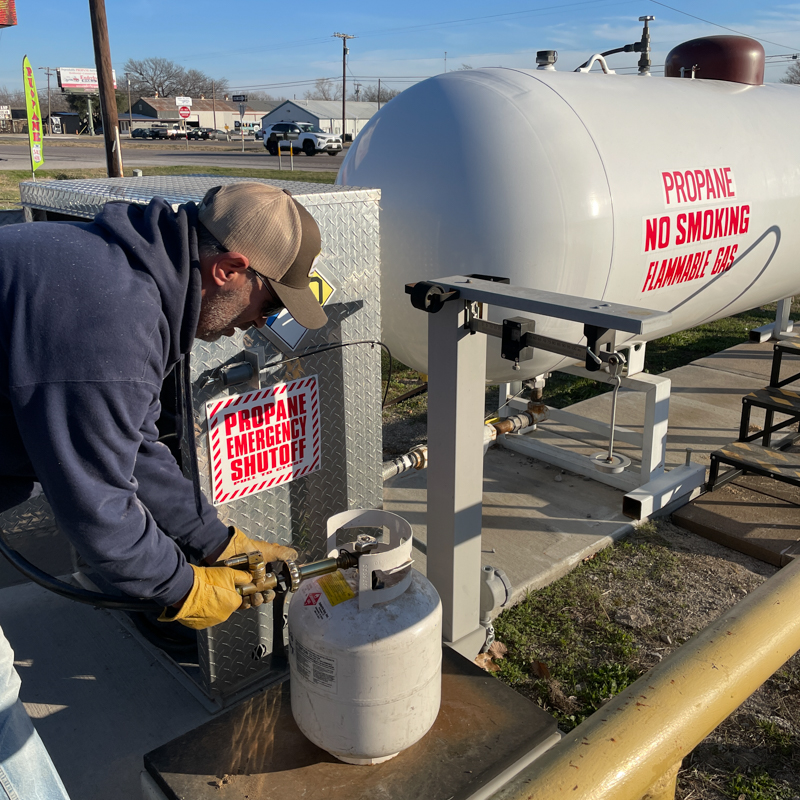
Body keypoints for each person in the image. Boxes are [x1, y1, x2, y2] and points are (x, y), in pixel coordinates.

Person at [0, 181, 328, 797]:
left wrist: (218, 540)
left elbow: (138, 446)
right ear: (231, 269)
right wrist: (181, 589)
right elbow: (99, 510)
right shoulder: (108, 322)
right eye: (268, 302)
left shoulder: (127, 279)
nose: (260, 324)